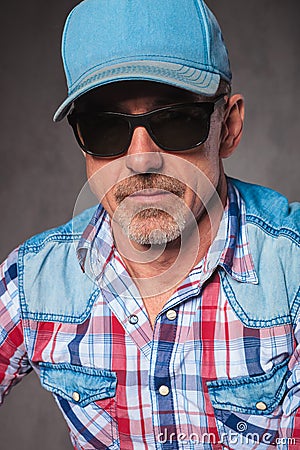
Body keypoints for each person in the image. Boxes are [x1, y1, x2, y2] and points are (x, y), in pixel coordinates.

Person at [0, 0, 299, 449]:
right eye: (104, 127)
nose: (140, 159)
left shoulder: (290, 268)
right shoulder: (33, 282)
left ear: (230, 126)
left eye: (177, 120)